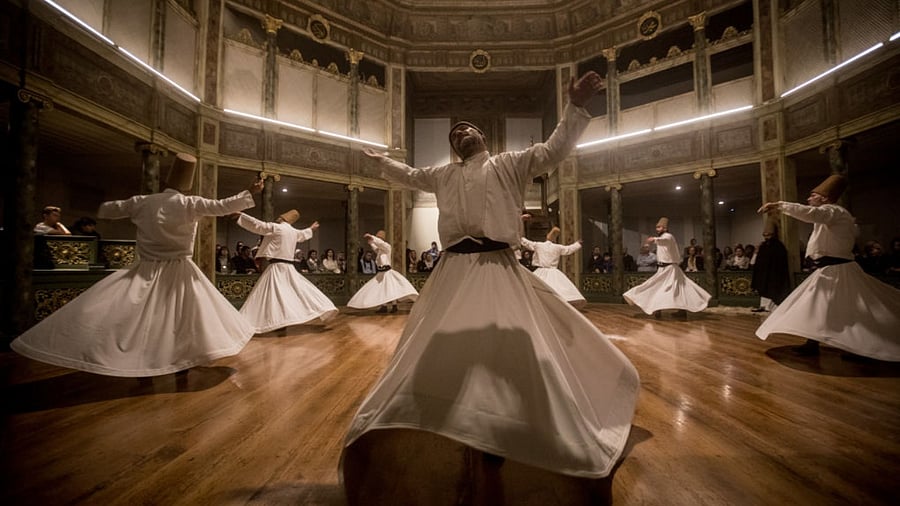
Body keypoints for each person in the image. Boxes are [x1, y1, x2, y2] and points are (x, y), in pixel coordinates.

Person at [342, 71, 638, 496]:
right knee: (441, 350)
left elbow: (554, 150)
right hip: (451, 273)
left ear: (482, 137)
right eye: (455, 133)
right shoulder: (442, 175)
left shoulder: (509, 164)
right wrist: (380, 163)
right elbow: (408, 175)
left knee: (507, 354)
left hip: (497, 268)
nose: (461, 133)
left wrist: (575, 106)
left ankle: (505, 431)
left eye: (468, 128)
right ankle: (455, 422)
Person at [11, 153, 264, 377]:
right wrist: (250, 192)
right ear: (185, 186)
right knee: (185, 319)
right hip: (180, 270)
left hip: (147, 269)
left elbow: (110, 209)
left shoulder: (143, 201)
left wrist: (88, 203)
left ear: (167, 182)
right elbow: (222, 206)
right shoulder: (190, 203)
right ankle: (181, 360)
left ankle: (145, 358)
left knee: (142, 318)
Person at [756, 174, 900, 360]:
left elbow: (810, 213)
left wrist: (779, 205)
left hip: (838, 270)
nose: (809, 199)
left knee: (847, 309)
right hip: (828, 270)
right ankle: (812, 343)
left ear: (824, 198)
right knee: (816, 306)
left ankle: (859, 347)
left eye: (812, 196)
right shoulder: (831, 215)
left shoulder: (834, 212)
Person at [235, 209, 337, 333]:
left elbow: (259, 225)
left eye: (280, 217)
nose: (278, 218)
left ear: (284, 219)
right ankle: (321, 307)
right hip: (288, 267)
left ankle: (258, 321)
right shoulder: (293, 232)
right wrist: (311, 228)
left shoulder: (277, 228)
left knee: (270, 294)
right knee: (300, 291)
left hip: (277, 266)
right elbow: (303, 234)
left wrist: (241, 216)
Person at [623, 217, 711, 319]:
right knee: (663, 288)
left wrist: (654, 239)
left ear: (665, 228)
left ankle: (664, 309)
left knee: (675, 289)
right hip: (663, 269)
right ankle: (665, 309)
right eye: (656, 227)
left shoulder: (669, 236)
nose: (657, 229)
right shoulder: (662, 238)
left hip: (671, 269)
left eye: (659, 227)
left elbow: (664, 240)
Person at [347, 230, 418, 313]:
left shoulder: (387, 247)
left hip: (387, 272)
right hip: (381, 272)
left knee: (390, 288)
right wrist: (371, 242)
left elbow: (381, 244)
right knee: (382, 289)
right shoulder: (381, 250)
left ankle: (394, 306)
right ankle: (384, 306)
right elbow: (376, 248)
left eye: (378, 238)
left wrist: (372, 237)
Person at [520, 226, 586, 307]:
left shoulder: (539, 245)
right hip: (553, 271)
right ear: (555, 238)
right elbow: (569, 249)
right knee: (557, 288)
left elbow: (526, 242)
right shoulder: (557, 247)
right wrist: (577, 244)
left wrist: (518, 235)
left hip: (541, 271)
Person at [750, 220, 791, 313]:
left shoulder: (779, 247)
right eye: (765, 235)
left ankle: (770, 307)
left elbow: (780, 262)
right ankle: (763, 306)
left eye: (768, 235)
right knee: (763, 289)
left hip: (774, 274)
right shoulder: (763, 246)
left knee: (772, 290)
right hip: (763, 273)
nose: (766, 237)